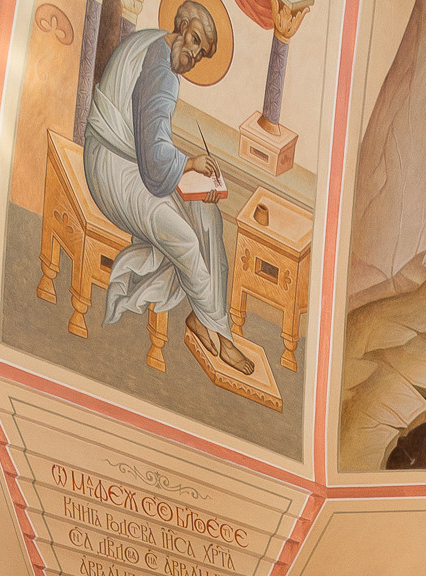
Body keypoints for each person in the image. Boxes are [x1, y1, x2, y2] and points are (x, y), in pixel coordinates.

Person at [82, 0, 249, 377]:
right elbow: (156, 164)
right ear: (180, 24)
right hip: (111, 166)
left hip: (133, 159)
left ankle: (210, 322)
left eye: (199, 52)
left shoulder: (156, 45)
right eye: (192, 39)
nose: (191, 53)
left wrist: (189, 172)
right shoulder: (162, 66)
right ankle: (216, 332)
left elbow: (152, 151)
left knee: (207, 216)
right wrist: (190, 164)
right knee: (186, 241)